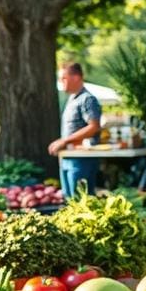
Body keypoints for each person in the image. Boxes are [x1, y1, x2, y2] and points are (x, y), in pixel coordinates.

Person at [49, 62, 102, 197]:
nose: (61, 82)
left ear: (76, 77)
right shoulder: (72, 99)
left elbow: (94, 127)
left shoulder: (88, 99)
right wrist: (62, 142)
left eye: (64, 78)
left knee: (81, 201)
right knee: (69, 200)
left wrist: (64, 141)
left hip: (81, 160)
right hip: (68, 158)